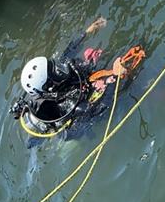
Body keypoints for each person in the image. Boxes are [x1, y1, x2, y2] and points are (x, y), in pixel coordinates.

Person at [9, 17, 146, 140]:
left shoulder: (53, 76)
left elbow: (69, 51)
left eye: (54, 65)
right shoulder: (68, 105)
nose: (60, 68)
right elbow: (100, 108)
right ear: (50, 86)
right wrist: (115, 78)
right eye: (55, 72)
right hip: (77, 122)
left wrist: (87, 32)